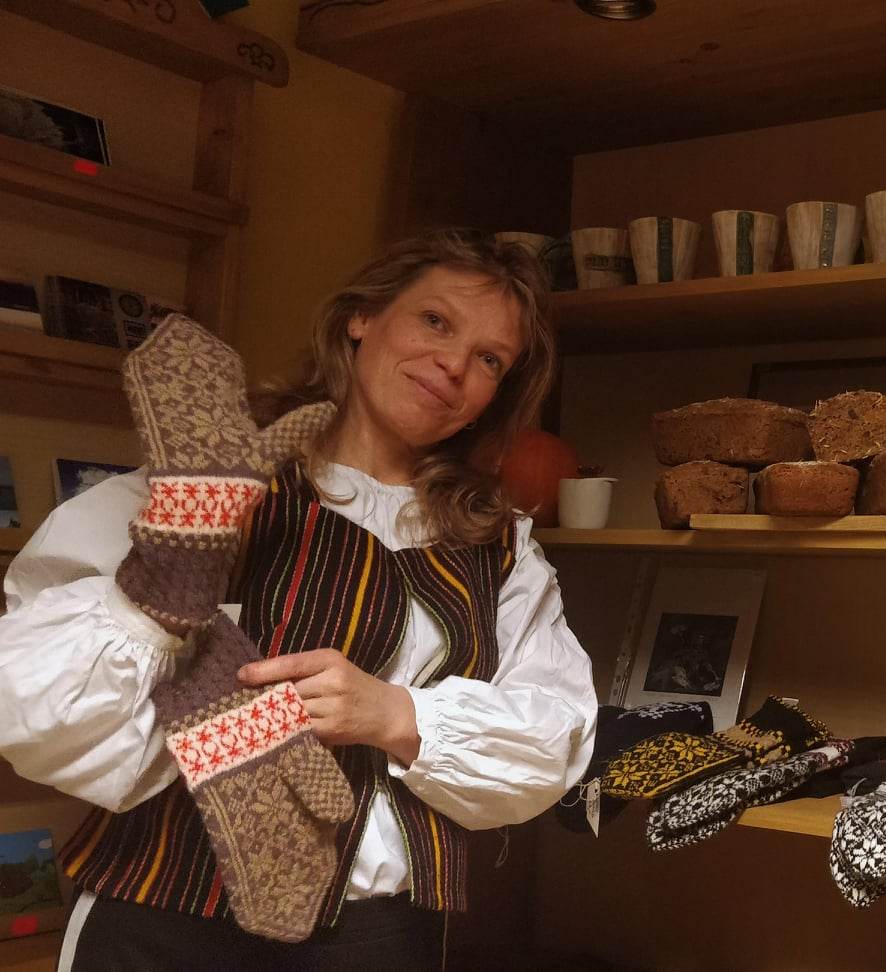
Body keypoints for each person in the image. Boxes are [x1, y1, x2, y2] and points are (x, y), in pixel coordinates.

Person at [0, 229, 597, 970]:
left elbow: (557, 737)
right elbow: (22, 700)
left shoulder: (500, 548)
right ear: (363, 317)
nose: (453, 365)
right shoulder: (202, 484)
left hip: (378, 939)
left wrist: (397, 715)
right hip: (162, 921)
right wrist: (160, 585)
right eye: (436, 321)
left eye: (489, 360)